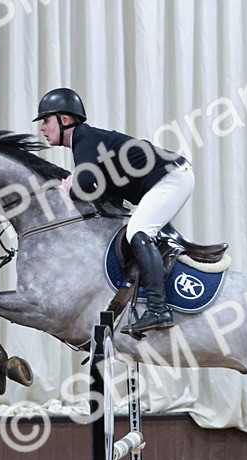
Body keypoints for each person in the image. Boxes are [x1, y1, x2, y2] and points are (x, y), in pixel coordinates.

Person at [34, 87, 193, 334]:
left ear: (65, 120)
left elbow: (86, 184)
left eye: (46, 120)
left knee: (138, 232)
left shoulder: (83, 138)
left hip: (173, 177)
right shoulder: (87, 141)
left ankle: (158, 309)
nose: (42, 128)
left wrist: (69, 190)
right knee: (136, 229)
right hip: (168, 178)